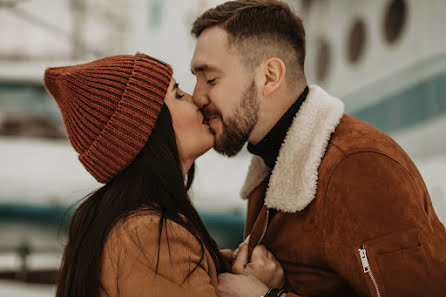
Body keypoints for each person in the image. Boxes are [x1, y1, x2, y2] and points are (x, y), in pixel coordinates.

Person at [190, 1, 446, 297]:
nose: (198, 96)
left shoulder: (355, 168)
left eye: (210, 79)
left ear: (270, 76)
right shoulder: (271, 170)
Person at [43, 53, 284, 297]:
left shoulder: (130, 227)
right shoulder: (153, 238)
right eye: (178, 95)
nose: (197, 100)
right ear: (146, 129)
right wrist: (262, 293)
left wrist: (211, 267)